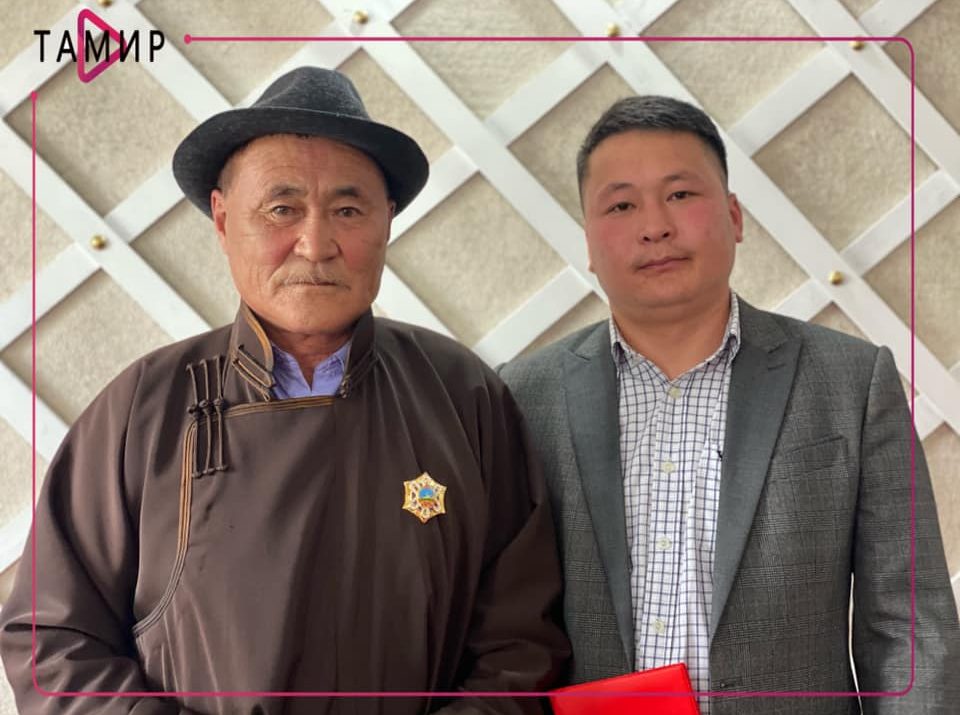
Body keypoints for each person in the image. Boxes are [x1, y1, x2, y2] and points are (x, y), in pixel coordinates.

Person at [0, 66, 569, 714]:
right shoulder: (144, 407)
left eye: (347, 210)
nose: (315, 243)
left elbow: (523, 646)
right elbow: (52, 640)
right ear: (222, 219)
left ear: (387, 222)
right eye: (282, 208)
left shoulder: (464, 397)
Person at [499, 95, 960, 713]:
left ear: (735, 216)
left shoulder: (850, 381)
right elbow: (502, 628)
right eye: (621, 205)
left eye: (680, 194)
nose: (655, 226)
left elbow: (908, 626)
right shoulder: (524, 396)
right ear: (589, 241)